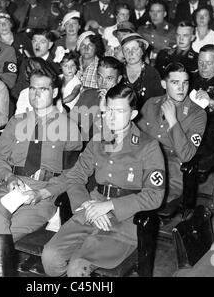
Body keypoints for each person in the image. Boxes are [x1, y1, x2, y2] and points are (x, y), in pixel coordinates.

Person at [41, 83, 165, 277]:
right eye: (109, 110)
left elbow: (154, 195)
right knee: (50, 256)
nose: (112, 117)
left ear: (132, 114)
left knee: (77, 266)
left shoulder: (148, 146)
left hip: (125, 221)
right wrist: (88, 205)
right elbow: (75, 176)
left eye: (120, 111)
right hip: (91, 210)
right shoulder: (99, 140)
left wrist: (109, 206)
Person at [0, 66, 82, 277]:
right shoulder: (17, 122)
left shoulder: (69, 128)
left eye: (42, 89)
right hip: (9, 188)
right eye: (32, 89)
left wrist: (43, 193)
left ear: (54, 93)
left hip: (42, 195)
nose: (36, 94)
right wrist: (9, 176)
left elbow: (72, 174)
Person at [139, 62, 207, 204]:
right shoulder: (151, 103)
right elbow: (136, 137)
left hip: (170, 171)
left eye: (185, 83)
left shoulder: (197, 113)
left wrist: (173, 121)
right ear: (164, 84)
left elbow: (186, 155)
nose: (181, 88)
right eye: (175, 83)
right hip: (142, 164)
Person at [120, 33, 164, 111]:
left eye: (135, 49)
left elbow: (158, 101)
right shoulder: (118, 71)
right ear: (123, 53)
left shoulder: (152, 73)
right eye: (127, 50)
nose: (131, 53)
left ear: (142, 51)